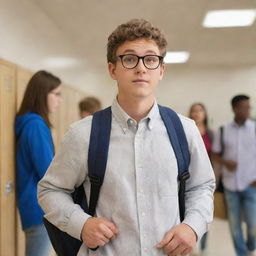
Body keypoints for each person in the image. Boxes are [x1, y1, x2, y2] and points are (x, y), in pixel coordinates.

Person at [38, 19, 215, 256]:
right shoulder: (83, 134)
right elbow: (50, 190)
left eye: (151, 59)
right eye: (130, 59)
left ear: (161, 70)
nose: (141, 68)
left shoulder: (185, 130)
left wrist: (192, 227)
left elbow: (202, 186)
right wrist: (81, 224)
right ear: (113, 69)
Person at [15, 70, 62, 256]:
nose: (60, 100)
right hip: (39, 209)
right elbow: (48, 171)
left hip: (33, 207)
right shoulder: (35, 125)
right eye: (56, 94)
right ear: (43, 94)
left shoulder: (29, 122)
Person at [212, 95, 256, 256]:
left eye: (248, 107)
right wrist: (226, 162)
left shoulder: (255, 128)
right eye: (243, 107)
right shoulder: (223, 131)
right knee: (234, 226)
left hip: (251, 185)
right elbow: (215, 154)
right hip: (230, 186)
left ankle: (251, 247)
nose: (246, 111)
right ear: (234, 109)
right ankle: (242, 254)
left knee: (253, 226)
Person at [189, 103, 214, 256]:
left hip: (207, 179)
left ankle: (203, 248)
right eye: (194, 111)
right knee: (190, 213)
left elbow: (216, 156)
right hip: (190, 177)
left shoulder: (211, 134)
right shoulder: (187, 130)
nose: (197, 113)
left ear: (205, 113)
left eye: (199, 110)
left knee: (204, 212)